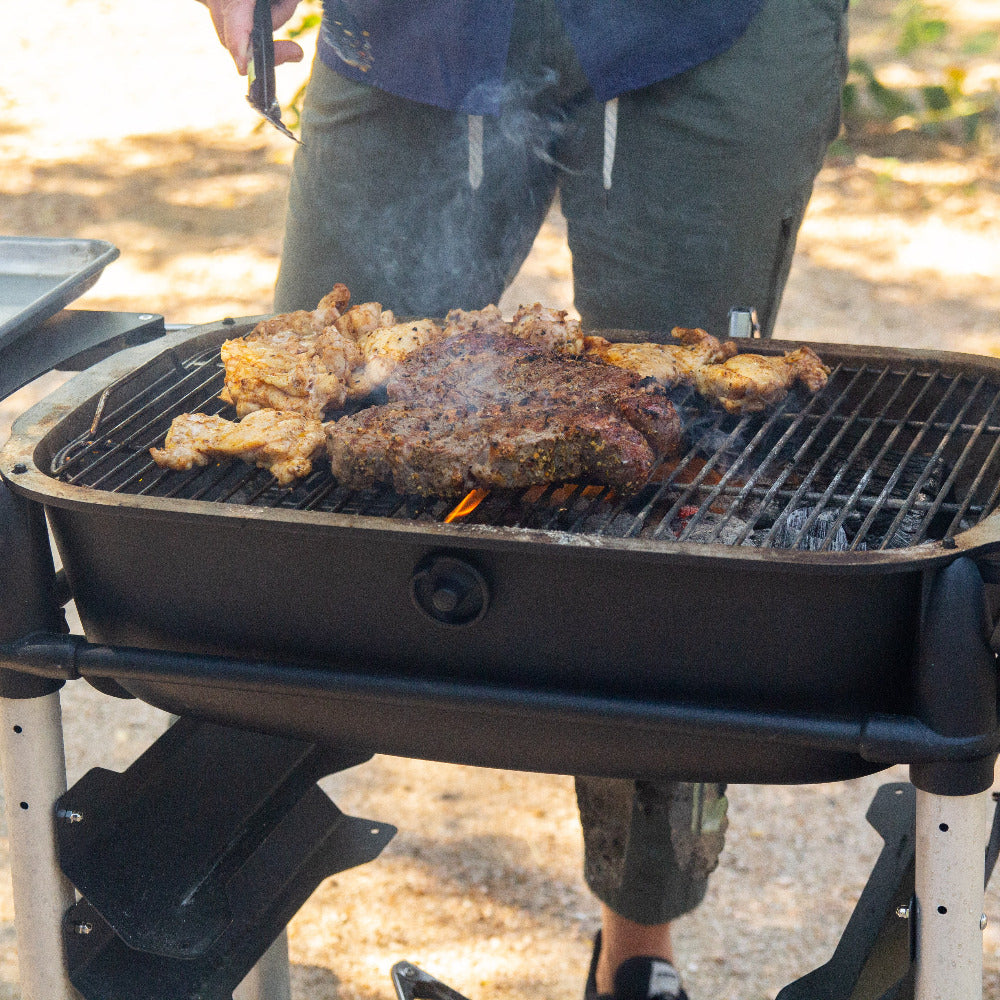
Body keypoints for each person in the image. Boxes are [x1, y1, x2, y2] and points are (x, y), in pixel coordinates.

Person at [200, 2, 850, 997]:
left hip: (707, 28)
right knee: (290, 431)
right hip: (414, 28)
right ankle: (219, 930)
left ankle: (636, 958)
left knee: (673, 495)